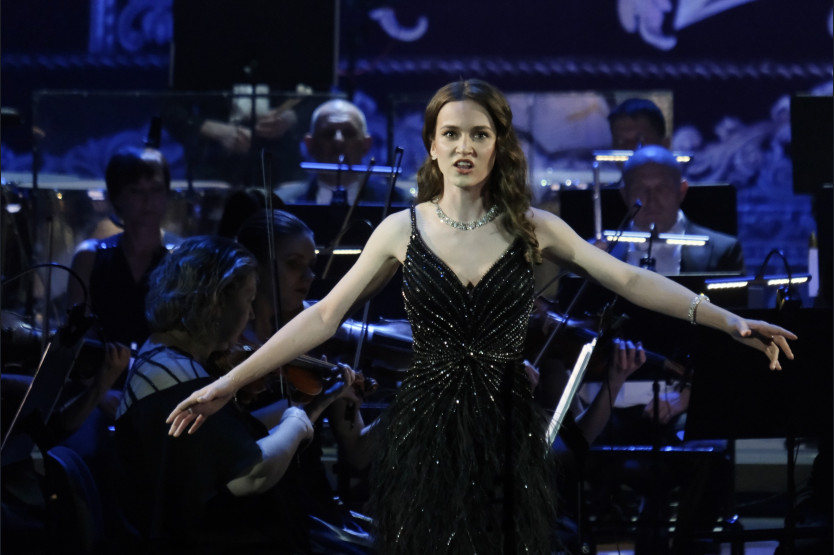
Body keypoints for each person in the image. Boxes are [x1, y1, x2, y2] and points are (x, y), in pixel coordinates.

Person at [166, 79, 795, 555]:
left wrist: (727, 320)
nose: (464, 146)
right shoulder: (401, 228)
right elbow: (324, 316)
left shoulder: (533, 227)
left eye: (479, 134)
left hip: (507, 427)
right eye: (451, 134)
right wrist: (227, 384)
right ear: (432, 146)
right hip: (426, 429)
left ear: (499, 146)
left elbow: (628, 280)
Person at [114, 235, 359, 553]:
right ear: (217, 300)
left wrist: (313, 405)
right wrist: (297, 420)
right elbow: (251, 475)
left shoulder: (165, 361)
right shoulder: (175, 379)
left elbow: (230, 437)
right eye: (248, 300)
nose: (252, 315)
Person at [277, 99, 411, 205]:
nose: (338, 141)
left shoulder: (395, 200)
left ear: (366, 144)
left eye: (348, 133)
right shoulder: (285, 201)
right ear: (310, 144)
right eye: (328, 133)